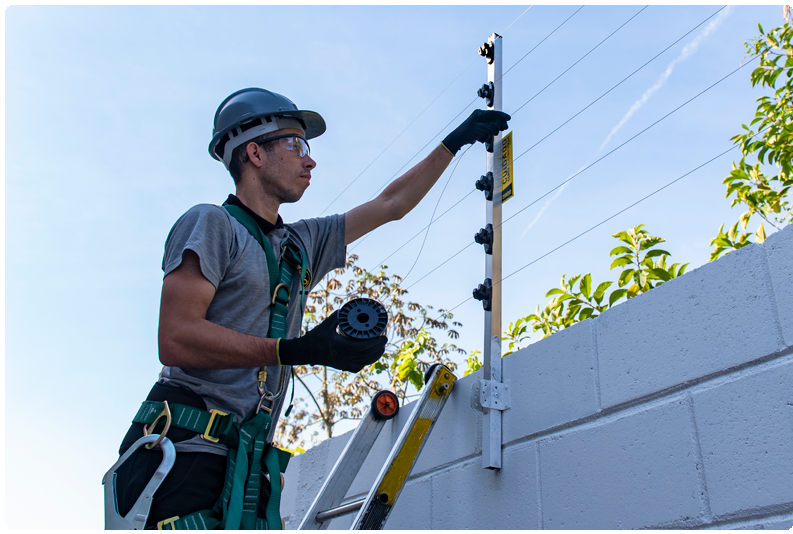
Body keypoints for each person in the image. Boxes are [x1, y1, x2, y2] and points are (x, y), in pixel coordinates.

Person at [109, 87, 509, 529]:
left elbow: (390, 205)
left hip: (248, 462)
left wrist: (454, 142)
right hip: (185, 449)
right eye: (296, 144)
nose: (310, 159)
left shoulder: (300, 245)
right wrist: (294, 349)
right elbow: (177, 338)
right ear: (255, 153)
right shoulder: (211, 224)